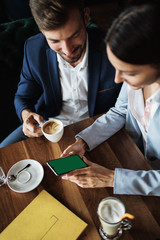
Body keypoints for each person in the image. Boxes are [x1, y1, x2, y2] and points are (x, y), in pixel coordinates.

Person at [61, 2, 160, 196]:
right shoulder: (138, 78)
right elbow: (120, 111)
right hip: (133, 160)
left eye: (128, 72)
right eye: (116, 66)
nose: (117, 79)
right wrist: (83, 142)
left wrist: (111, 178)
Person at [0, 0, 121, 148]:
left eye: (74, 35)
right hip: (47, 126)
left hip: (96, 128)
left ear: (86, 17)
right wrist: (26, 116)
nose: (68, 51)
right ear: (41, 30)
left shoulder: (112, 48)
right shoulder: (33, 49)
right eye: (55, 41)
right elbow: (23, 97)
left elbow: (124, 107)